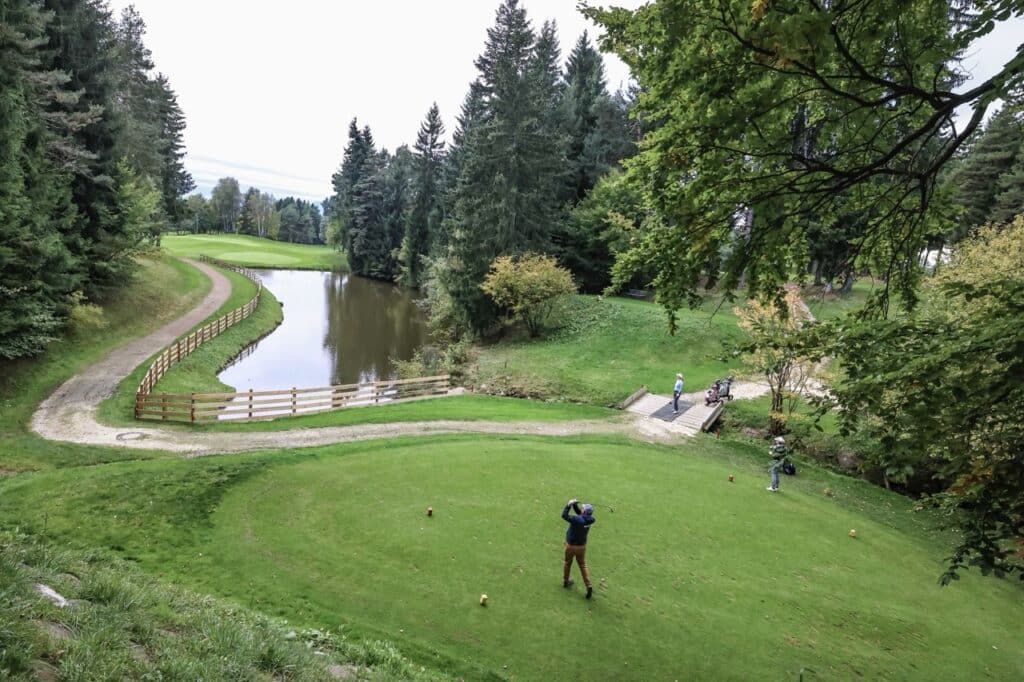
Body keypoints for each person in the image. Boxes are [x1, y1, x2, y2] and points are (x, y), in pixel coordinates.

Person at [561, 498, 596, 599]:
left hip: (571, 546)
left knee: (567, 563)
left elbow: (564, 515)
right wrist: (574, 505)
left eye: (582, 508)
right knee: (582, 565)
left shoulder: (577, 520)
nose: (581, 509)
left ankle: (566, 581)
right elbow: (581, 514)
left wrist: (568, 505)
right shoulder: (591, 519)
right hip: (582, 547)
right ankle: (588, 585)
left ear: (584, 511)